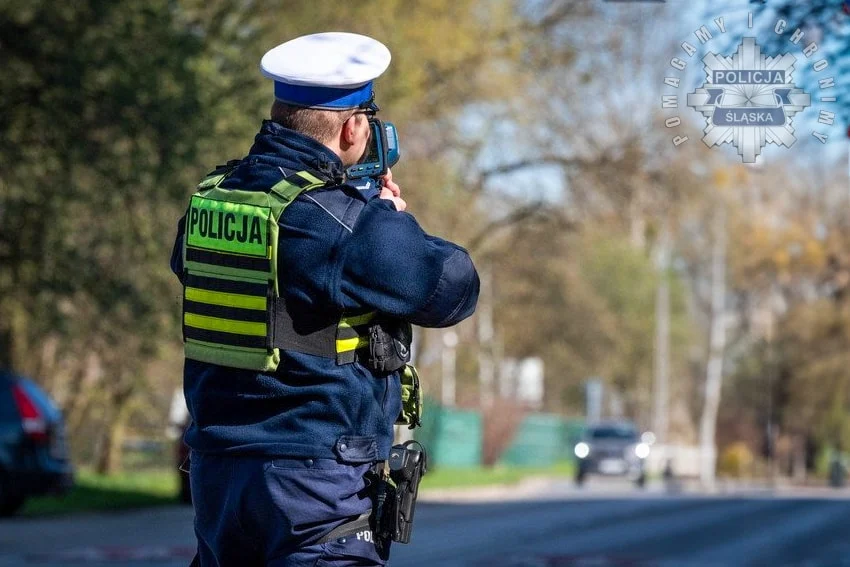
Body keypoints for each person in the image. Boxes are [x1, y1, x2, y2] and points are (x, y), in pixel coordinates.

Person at [170, 32, 479, 567]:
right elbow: (453, 287)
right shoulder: (342, 223)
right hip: (313, 476)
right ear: (354, 126)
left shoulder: (213, 199)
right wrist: (391, 219)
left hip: (218, 472)